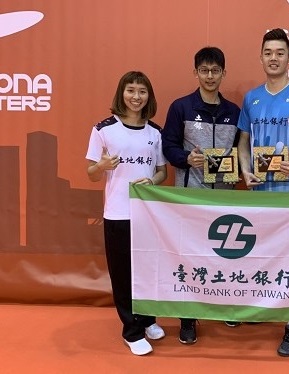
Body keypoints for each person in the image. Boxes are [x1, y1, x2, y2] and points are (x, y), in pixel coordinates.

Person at [237, 28, 289, 357]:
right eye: (268, 52)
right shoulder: (251, 98)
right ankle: (265, 308)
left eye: (279, 52)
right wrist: (245, 170)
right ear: (261, 57)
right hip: (259, 194)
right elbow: (243, 144)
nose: (273, 58)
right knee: (262, 254)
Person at [161, 46, 241, 345]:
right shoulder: (180, 107)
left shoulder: (234, 111)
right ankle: (187, 316)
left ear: (223, 73)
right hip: (189, 197)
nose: (210, 76)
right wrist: (185, 158)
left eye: (215, 71)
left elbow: (240, 150)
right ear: (195, 72)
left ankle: (228, 306)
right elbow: (167, 146)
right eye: (204, 70)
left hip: (225, 197)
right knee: (190, 257)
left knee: (227, 254)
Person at [86, 71, 167, 355]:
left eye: (142, 91)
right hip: (118, 214)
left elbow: (161, 172)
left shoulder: (155, 132)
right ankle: (131, 331)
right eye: (131, 90)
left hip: (148, 215)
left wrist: (152, 181)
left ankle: (146, 320)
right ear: (122, 93)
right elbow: (91, 174)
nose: (136, 96)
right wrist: (101, 167)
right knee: (122, 275)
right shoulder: (104, 129)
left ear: (149, 96)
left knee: (147, 271)